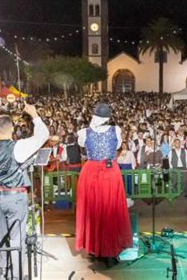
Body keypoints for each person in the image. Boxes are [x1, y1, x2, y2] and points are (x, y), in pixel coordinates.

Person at [0, 102, 49, 280]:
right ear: (12, 128)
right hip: (16, 197)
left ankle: (3, 271)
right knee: (16, 239)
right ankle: (17, 275)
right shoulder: (18, 147)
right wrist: (34, 114)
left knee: (1, 237)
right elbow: (44, 135)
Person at [75, 103, 132, 267]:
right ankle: (109, 252)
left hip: (91, 171)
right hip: (109, 171)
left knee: (94, 210)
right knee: (110, 210)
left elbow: (82, 146)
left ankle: (94, 248)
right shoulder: (116, 130)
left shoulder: (85, 132)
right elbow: (118, 146)